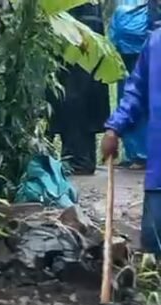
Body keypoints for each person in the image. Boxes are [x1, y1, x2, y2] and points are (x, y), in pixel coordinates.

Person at [102, 29, 161, 255]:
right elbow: (136, 92)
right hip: (159, 174)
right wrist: (114, 128)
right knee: (152, 242)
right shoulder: (155, 43)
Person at [48, 2, 110, 175]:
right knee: (79, 93)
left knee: (74, 94)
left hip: (77, 32)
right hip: (81, 30)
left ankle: (78, 159)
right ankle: (80, 158)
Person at [110, 0, 149, 170]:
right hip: (138, 52)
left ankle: (139, 154)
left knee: (131, 100)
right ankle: (135, 153)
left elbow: (114, 31)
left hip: (129, 53)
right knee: (134, 100)